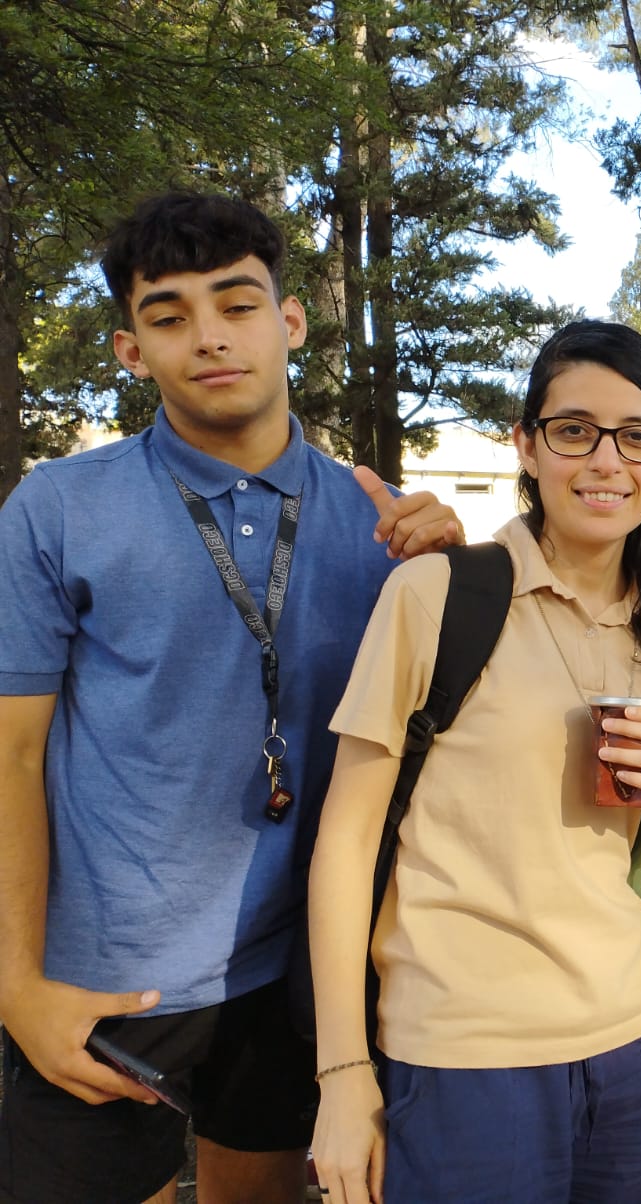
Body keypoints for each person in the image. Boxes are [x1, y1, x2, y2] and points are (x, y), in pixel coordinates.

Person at [0, 191, 463, 1204]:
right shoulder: (60, 507)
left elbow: (447, 737)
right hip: (107, 977)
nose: (209, 337)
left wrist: (454, 579)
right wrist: (17, 986)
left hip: (293, 972)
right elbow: (13, 759)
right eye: (169, 316)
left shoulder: (376, 520)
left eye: (237, 304)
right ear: (131, 350)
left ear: (288, 321)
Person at [307, 320, 641, 1204]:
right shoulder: (438, 595)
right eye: (574, 430)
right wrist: (343, 1071)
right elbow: (346, 845)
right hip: (468, 1057)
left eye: (638, 438)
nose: (605, 462)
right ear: (527, 444)